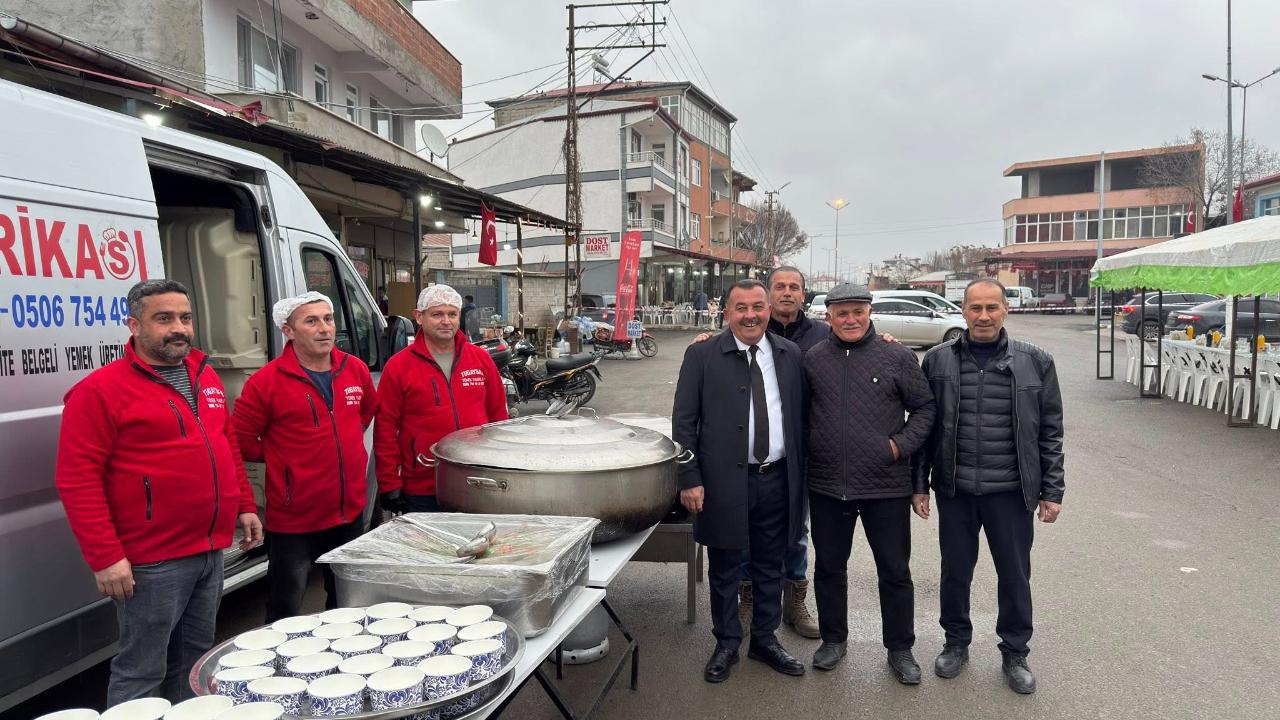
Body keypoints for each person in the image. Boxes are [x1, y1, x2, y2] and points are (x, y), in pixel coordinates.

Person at [55, 279, 263, 704]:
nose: (179, 329)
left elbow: (226, 446)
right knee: (141, 670)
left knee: (193, 662)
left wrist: (244, 505)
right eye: (163, 318)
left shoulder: (205, 377)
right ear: (134, 325)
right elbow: (78, 480)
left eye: (185, 318)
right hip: (152, 561)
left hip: (209, 551)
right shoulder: (99, 392)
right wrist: (106, 558)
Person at [912, 278, 1064, 695]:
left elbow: (1050, 431)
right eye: (975, 308)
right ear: (962, 311)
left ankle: (1015, 651)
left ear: (1005, 311)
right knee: (955, 573)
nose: (983, 316)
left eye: (991, 308)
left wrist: (1053, 490)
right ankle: (955, 643)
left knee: (1014, 575)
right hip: (956, 490)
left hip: (1012, 493)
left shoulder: (1036, 362)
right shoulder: (938, 361)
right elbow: (925, 429)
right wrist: (919, 485)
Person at [673, 279, 808, 683]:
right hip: (721, 482)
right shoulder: (702, 355)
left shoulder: (789, 353)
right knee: (726, 565)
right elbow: (684, 423)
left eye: (758, 306)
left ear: (768, 310)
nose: (751, 315)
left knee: (771, 564)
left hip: (778, 478)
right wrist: (689, 477)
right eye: (741, 307)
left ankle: (764, 640)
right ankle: (727, 641)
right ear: (726, 313)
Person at [803, 283, 936, 683]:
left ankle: (900, 649)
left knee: (894, 571)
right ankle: (833, 640)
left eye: (857, 312)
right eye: (841, 313)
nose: (850, 319)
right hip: (827, 485)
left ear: (869, 313)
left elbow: (926, 408)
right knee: (828, 568)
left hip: (885, 486)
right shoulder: (813, 359)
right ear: (828, 317)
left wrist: (899, 447)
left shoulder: (897, 356)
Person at [233, 291, 378, 622]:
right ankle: (281, 669)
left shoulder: (353, 369)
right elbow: (239, 439)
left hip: (349, 512)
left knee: (346, 602)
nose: (324, 328)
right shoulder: (265, 382)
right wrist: (284, 457)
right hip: (295, 519)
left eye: (328, 319)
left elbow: (366, 411)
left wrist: (342, 440)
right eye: (311, 321)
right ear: (288, 330)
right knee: (286, 605)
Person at [374, 284, 508, 513]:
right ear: (419, 317)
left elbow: (499, 419)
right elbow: (385, 429)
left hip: (477, 481)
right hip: (422, 486)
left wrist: (502, 468)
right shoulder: (398, 367)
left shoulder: (480, 360)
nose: (446, 321)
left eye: (452, 314)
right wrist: (388, 483)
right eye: (437, 314)